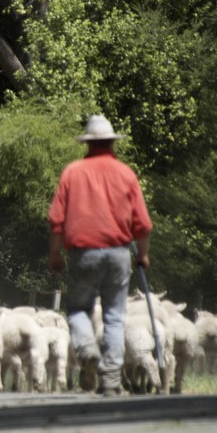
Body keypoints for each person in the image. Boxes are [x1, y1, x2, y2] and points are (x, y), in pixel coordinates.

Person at [47, 114, 152, 397]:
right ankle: (110, 378)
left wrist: (55, 254)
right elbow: (142, 224)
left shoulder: (73, 172)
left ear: (88, 144)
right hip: (119, 254)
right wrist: (143, 256)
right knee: (115, 317)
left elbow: (56, 220)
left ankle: (87, 352)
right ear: (111, 143)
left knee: (79, 309)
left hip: (84, 254)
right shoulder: (126, 174)